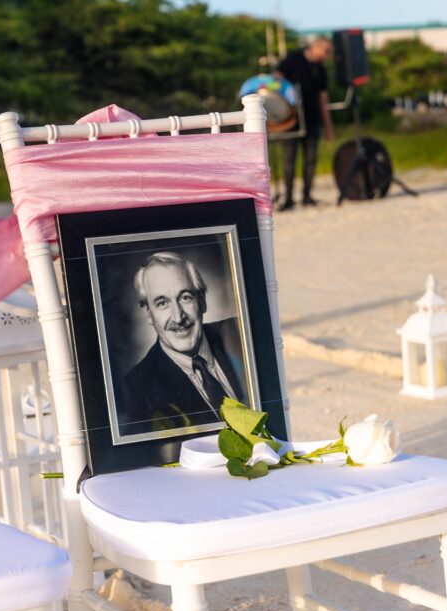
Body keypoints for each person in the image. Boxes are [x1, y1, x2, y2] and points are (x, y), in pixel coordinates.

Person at [123, 252, 246, 433]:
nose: (178, 317)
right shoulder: (136, 388)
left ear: (202, 301)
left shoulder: (240, 333)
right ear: (148, 313)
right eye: (162, 303)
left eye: (185, 297)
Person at [274, 37, 336, 210]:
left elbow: (323, 99)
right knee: (289, 160)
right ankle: (288, 198)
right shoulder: (294, 59)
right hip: (290, 120)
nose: (327, 55)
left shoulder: (321, 70)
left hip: (311, 120)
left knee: (311, 159)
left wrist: (329, 127)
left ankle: (307, 196)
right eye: (326, 51)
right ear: (316, 47)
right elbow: (276, 78)